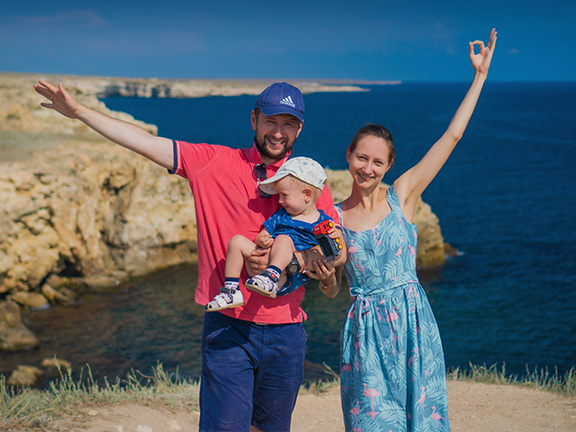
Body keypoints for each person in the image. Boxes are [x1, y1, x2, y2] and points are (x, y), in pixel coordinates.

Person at [33, 80, 345, 432]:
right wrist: (78, 112)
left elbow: (336, 252)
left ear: (299, 129)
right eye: (270, 120)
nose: (277, 132)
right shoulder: (214, 161)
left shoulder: (309, 183)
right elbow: (146, 142)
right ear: (254, 119)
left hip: (287, 329)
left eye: (287, 123)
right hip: (229, 325)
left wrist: (293, 262)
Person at [324, 29, 497, 431]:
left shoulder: (402, 195)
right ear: (348, 157)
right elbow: (332, 288)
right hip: (365, 336)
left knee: (422, 421)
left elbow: (452, 136)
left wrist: (479, 77)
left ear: (389, 166)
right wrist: (326, 276)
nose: (367, 168)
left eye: (377, 162)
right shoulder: (332, 217)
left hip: (413, 326)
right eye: (361, 158)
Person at [206, 156, 340, 311]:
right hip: (264, 265)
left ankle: (272, 276)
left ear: (307, 195)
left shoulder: (323, 222)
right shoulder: (281, 215)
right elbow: (263, 234)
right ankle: (231, 290)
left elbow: (332, 254)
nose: (280, 200)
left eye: (284, 195)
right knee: (237, 241)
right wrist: (262, 239)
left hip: (288, 276)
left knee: (283, 239)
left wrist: (333, 239)